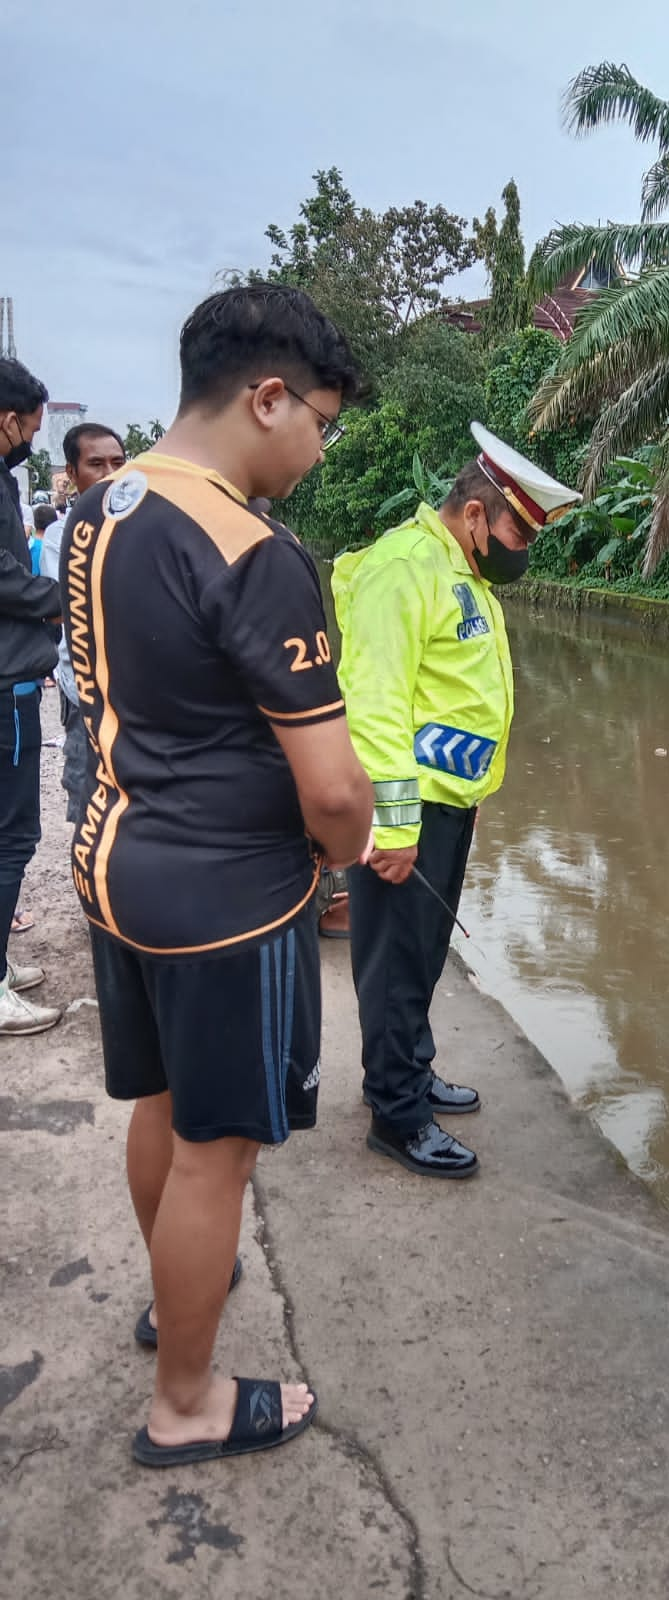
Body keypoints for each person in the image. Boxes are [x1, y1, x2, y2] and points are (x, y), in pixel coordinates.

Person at [60, 283, 373, 1466]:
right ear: (268, 396)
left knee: (162, 1104)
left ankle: (171, 1298)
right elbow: (336, 790)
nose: (319, 446)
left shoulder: (104, 506)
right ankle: (185, 1399)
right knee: (216, 1148)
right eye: (322, 421)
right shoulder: (254, 548)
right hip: (222, 898)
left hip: (117, 858)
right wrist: (345, 860)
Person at [334, 424, 580, 1178]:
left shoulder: (460, 574)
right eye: (515, 530)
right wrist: (398, 825)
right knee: (394, 962)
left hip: (449, 806)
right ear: (475, 515)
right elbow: (374, 709)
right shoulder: (402, 570)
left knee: (424, 957)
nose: (521, 549)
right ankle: (396, 1115)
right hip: (409, 813)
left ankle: (411, 1067)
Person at [0, 357, 62, 1036]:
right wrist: (72, 596)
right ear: (7, 418)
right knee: (12, 837)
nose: (29, 441)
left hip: (13, 672)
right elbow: (6, 579)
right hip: (7, 683)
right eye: (28, 429)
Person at [41, 424, 127, 822]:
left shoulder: (143, 525)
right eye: (96, 464)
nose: (109, 473)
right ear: (72, 474)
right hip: (85, 690)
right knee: (87, 795)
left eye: (117, 462)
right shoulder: (62, 534)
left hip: (141, 692)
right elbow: (74, 601)